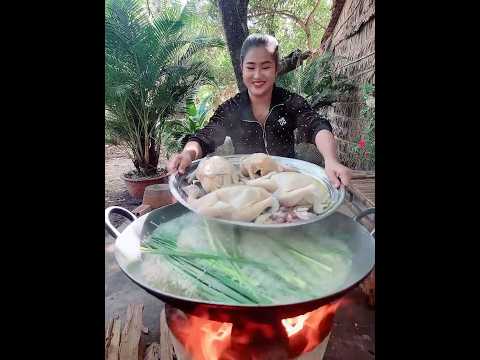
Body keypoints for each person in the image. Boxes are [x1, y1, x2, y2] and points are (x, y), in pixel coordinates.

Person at [168, 33, 351, 188]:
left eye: (265, 67)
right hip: (244, 185)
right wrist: (187, 154)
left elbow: (316, 126)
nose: (257, 75)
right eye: (250, 67)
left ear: (276, 69)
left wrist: (331, 159)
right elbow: (205, 136)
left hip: (285, 183)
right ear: (242, 69)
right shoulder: (231, 108)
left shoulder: (289, 102)